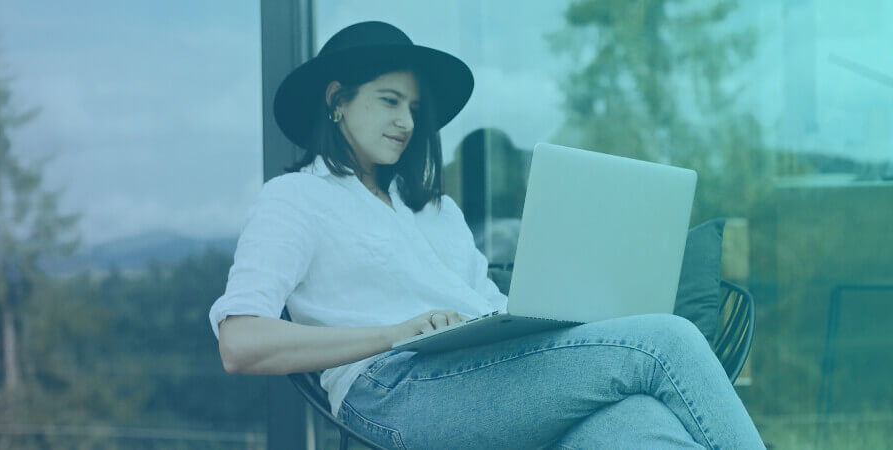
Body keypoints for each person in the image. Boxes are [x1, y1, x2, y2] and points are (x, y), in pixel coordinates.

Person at [209, 21, 764, 449]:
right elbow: (240, 343)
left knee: (637, 424)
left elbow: (486, 302)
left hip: (488, 377)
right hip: (395, 392)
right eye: (389, 100)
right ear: (336, 100)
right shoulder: (296, 199)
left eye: (414, 108)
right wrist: (392, 333)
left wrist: (549, 316)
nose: (406, 121)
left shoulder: (435, 210)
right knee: (667, 340)